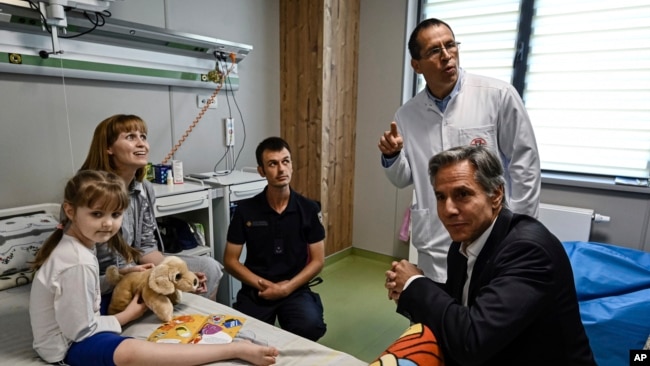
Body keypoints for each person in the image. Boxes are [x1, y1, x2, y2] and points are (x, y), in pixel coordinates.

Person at [29, 170, 279, 366]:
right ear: (70, 211)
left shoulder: (79, 244)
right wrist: (128, 316)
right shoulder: (77, 260)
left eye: (116, 215)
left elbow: (82, 290)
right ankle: (233, 349)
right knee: (131, 353)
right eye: (97, 214)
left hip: (77, 320)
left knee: (146, 288)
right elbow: (80, 330)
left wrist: (122, 276)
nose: (107, 223)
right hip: (66, 345)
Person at [384, 145, 595, 365]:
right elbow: (467, 301)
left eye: (462, 194)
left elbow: (472, 340)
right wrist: (410, 289)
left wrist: (415, 285)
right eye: (440, 196)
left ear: (495, 195)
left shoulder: (528, 251)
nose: (448, 210)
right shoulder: (463, 243)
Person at [378, 18, 540, 284]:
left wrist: (520, 229)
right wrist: (392, 156)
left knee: (482, 314)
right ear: (416, 65)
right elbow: (405, 178)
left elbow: (525, 165)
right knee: (434, 314)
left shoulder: (498, 95)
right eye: (434, 50)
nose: (446, 56)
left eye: (451, 45)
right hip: (434, 242)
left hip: (491, 236)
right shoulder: (407, 115)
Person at [80, 114, 223, 302]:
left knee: (209, 268)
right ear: (108, 148)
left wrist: (181, 274)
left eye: (143, 137)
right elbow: (81, 263)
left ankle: (203, 325)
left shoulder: (144, 189)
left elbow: (146, 248)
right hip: (104, 277)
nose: (141, 144)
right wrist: (131, 274)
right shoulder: (88, 191)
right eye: (130, 137)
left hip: (138, 266)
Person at [223, 137, 327, 341]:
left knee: (310, 327)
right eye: (273, 163)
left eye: (285, 161)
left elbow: (318, 261)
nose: (281, 169)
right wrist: (264, 285)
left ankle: (308, 305)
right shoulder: (245, 211)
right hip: (257, 289)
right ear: (261, 171)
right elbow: (230, 260)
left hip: (295, 287)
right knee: (242, 337)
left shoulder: (308, 209)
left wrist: (285, 288)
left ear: (292, 165)